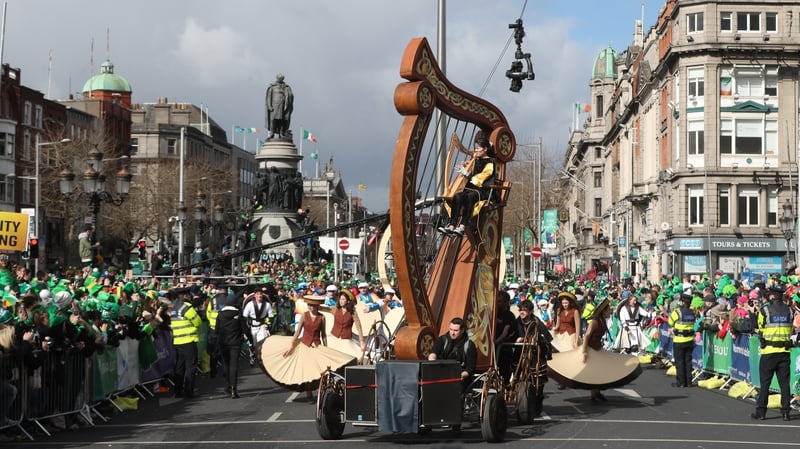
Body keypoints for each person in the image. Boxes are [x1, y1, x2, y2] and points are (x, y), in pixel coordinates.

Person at [437, 132, 495, 236]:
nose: (476, 150)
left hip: (483, 190)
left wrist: (466, 173)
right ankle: (452, 224)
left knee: (469, 197)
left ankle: (463, 226)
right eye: (475, 148)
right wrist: (463, 166)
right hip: (471, 188)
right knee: (458, 196)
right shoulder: (476, 160)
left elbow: (480, 178)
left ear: (485, 149)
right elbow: (470, 166)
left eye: (478, 148)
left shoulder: (490, 163)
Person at [751, 284, 793, 421]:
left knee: (765, 384)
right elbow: (791, 329)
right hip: (784, 352)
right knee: (784, 384)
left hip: (769, 352)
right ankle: (786, 412)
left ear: (773, 296)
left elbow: (761, 330)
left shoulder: (765, 311)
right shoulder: (790, 311)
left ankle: (761, 412)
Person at [283, 294, 328, 400]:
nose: (310, 307)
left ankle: (318, 387)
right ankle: (308, 391)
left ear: (317, 306)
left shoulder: (322, 317)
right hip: (305, 344)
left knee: (318, 368)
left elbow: (323, 334)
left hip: (317, 345)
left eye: (313, 305)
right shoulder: (304, 315)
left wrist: (326, 348)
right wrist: (291, 345)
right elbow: (298, 332)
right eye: (309, 305)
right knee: (306, 369)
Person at [169, 288, 202, 398]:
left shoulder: (174, 308)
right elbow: (197, 322)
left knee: (180, 367)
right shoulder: (187, 307)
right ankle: (188, 391)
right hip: (188, 340)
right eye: (189, 295)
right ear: (185, 296)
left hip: (178, 341)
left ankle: (178, 391)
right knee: (191, 367)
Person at [428, 317, 477, 391]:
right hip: (442, 372)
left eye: (455, 330)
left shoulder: (469, 345)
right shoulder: (442, 340)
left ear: (462, 330)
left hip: (459, 375)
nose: (452, 333)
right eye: (451, 329)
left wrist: (462, 375)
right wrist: (433, 363)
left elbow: (470, 368)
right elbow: (433, 354)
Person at [216, 286, 246, 399]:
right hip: (235, 343)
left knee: (226, 365)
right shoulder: (238, 314)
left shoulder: (220, 314)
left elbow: (216, 329)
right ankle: (234, 389)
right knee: (234, 365)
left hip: (223, 342)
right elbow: (244, 329)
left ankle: (227, 386)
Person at [580, 298, 613, 402]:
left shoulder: (603, 321)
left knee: (598, 371)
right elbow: (586, 336)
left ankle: (596, 393)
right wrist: (584, 352)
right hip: (590, 349)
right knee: (594, 372)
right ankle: (594, 395)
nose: (610, 312)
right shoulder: (594, 322)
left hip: (597, 348)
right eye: (608, 310)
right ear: (603, 311)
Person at [668, 293, 696, 388]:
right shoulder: (692, 313)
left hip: (679, 340)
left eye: (680, 301)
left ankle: (681, 383)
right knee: (688, 362)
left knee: (679, 362)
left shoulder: (677, 312)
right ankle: (689, 382)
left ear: (683, 302)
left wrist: (674, 327)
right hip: (690, 340)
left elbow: (670, 321)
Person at [494, 290, 517, 383]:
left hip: (504, 350)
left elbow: (505, 333)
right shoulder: (495, 313)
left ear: (506, 302)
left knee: (504, 375)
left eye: (500, 301)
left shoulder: (509, 316)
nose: (498, 304)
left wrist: (494, 343)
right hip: (493, 349)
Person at [265, 73, 293, 139]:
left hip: (282, 106)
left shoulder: (285, 86)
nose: (281, 80)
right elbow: (269, 97)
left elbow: (290, 95)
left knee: (281, 120)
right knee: (273, 120)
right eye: (280, 78)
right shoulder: (272, 87)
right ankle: (272, 134)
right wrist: (269, 106)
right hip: (274, 106)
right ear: (277, 78)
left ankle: (281, 134)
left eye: (282, 79)